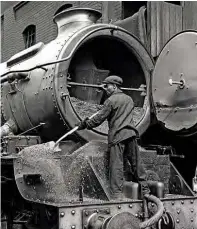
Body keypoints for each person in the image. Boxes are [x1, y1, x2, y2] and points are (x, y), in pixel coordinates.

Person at [78, 75, 150, 199]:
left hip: (118, 136)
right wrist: (105, 89)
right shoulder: (129, 99)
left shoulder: (110, 101)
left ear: (115, 86)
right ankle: (145, 191)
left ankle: (116, 194)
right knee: (136, 164)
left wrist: (85, 124)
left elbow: (99, 119)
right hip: (131, 134)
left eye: (107, 86)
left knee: (116, 165)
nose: (106, 88)